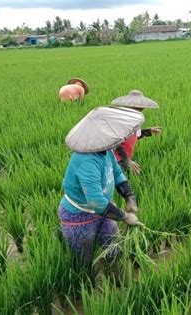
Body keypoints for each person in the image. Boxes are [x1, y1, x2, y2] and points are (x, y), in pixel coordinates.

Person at [59, 106, 145, 271]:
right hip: (79, 215)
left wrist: (129, 197)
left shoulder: (106, 151)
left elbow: (118, 174)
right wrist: (125, 216)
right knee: (84, 260)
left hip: (105, 209)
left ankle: (115, 278)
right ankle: (86, 288)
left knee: (113, 249)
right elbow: (96, 202)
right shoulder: (87, 161)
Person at [110, 90, 162, 175]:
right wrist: (126, 160)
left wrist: (148, 131)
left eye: (139, 108)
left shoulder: (136, 119)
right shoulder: (121, 121)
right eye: (135, 108)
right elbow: (115, 143)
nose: (138, 109)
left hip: (125, 158)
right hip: (114, 159)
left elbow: (135, 135)